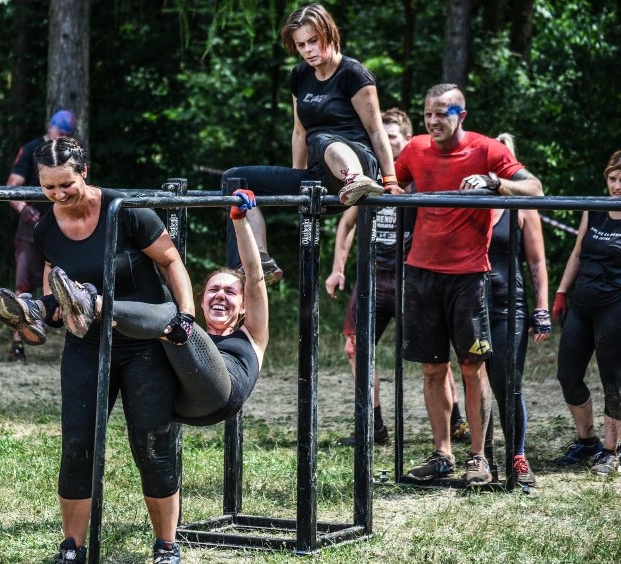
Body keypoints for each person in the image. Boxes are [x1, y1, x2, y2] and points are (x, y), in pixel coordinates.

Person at [0, 136, 194, 564]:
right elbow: (53, 278)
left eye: (66, 184)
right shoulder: (45, 226)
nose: (59, 195)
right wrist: (46, 311)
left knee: (151, 444)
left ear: (85, 171)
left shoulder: (126, 211)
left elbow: (171, 261)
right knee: (78, 444)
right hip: (86, 341)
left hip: (143, 342)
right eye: (48, 188)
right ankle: (72, 548)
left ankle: (166, 547)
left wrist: (186, 315)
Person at [0, 188, 269, 426]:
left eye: (230, 292)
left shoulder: (253, 333)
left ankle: (91, 303)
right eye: (213, 290)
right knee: (158, 301)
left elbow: (255, 278)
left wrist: (239, 220)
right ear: (202, 299)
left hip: (220, 395)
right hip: (177, 403)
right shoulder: (180, 331)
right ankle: (39, 310)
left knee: (175, 318)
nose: (220, 296)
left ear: (244, 305)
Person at [395, 84, 543, 486]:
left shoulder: (487, 149)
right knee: (431, 368)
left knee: (471, 368)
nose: (433, 121)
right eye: (428, 114)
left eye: (442, 113)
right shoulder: (415, 149)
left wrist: (497, 183)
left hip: (468, 276)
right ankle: (442, 454)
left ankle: (478, 457)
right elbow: (391, 184)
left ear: (462, 114)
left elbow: (534, 189)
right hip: (421, 272)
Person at [221, 3, 400, 281]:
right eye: (301, 44)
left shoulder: (354, 74)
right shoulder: (300, 75)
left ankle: (355, 180)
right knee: (236, 179)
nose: (307, 50)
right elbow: (299, 131)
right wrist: (297, 177)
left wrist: (390, 180)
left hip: (359, 163)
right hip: (319, 173)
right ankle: (257, 262)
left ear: (329, 34)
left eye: (313, 41)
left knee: (323, 139)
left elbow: (376, 129)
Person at [325, 108, 415, 446]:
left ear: (407, 139)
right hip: (374, 277)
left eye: (394, 139)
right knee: (355, 347)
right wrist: (337, 269)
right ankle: (373, 426)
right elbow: (347, 223)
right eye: (384, 140)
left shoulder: (419, 176)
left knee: (431, 354)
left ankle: (455, 421)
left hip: (411, 277)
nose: (388, 146)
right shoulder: (372, 176)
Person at [553, 149, 621, 476]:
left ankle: (611, 450)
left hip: (615, 305)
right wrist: (562, 292)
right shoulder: (595, 209)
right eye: (612, 178)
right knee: (567, 373)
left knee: (614, 381)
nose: (617, 185)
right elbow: (578, 252)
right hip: (583, 303)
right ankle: (587, 441)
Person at [4, 109, 76, 363]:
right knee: (23, 284)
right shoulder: (32, 149)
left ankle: (77, 342)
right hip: (31, 226)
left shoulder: (69, 152)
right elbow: (13, 185)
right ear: (50, 127)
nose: (62, 136)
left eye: (67, 133)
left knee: (69, 283)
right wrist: (26, 210)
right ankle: (17, 346)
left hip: (62, 225)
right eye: (60, 131)